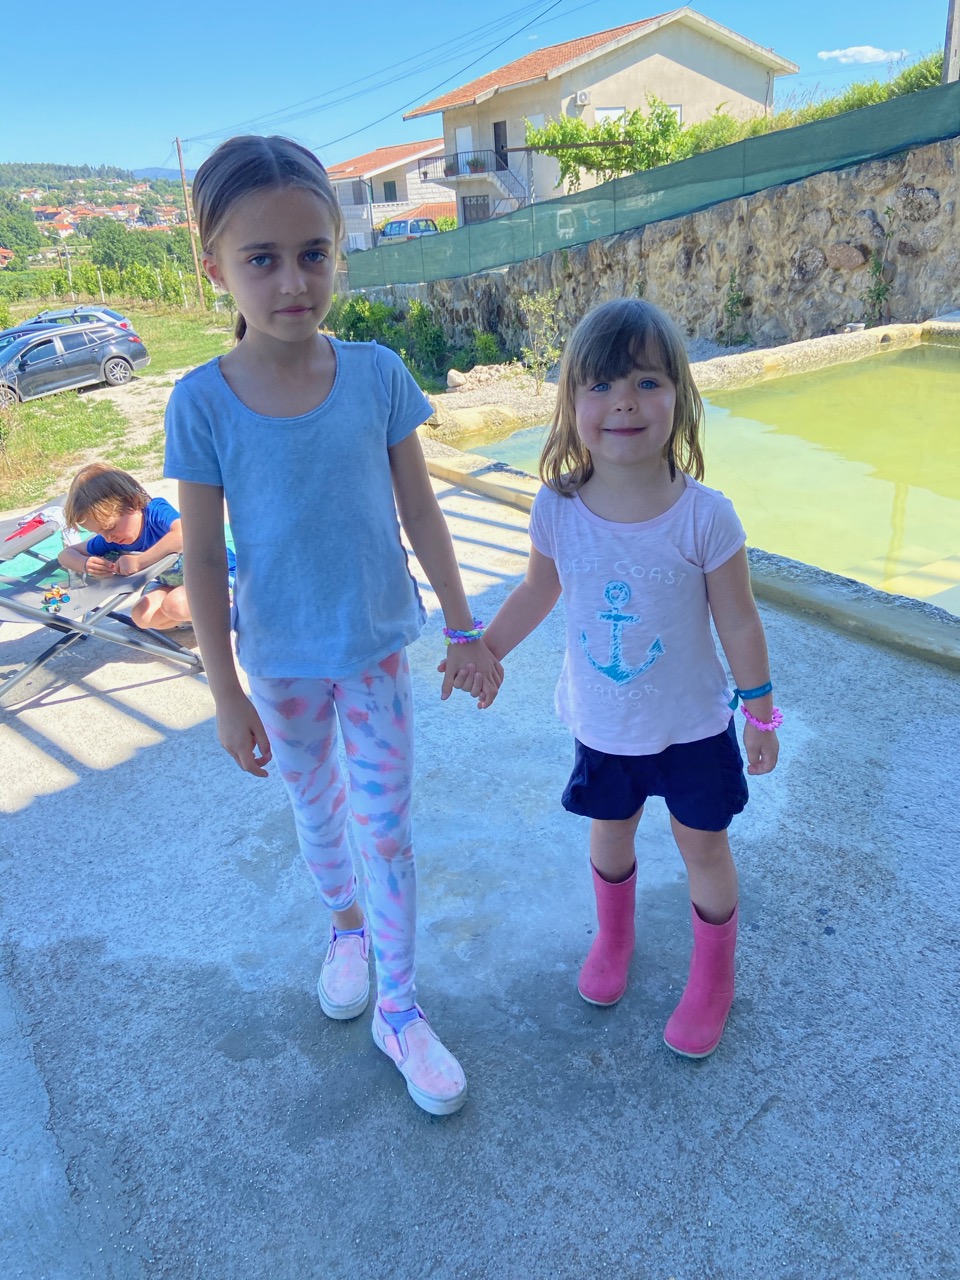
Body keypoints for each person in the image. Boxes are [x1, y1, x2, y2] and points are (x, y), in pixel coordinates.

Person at [163, 134, 502, 1116]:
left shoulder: (378, 375)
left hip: (376, 650)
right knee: (317, 813)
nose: (292, 281)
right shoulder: (201, 404)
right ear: (214, 266)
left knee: (386, 827)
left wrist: (465, 627)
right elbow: (201, 560)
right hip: (280, 665)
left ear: (338, 252)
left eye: (313, 252)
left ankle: (401, 1006)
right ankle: (344, 928)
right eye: (261, 258)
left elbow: (422, 511)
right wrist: (225, 692)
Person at [476, 298, 780, 1059]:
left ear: (679, 395)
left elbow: (739, 622)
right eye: (602, 385)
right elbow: (537, 590)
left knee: (703, 847)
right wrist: (488, 648)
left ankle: (713, 977)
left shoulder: (706, 517)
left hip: (694, 727)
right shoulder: (558, 508)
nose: (624, 403)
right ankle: (614, 940)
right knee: (610, 834)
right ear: (571, 402)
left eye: (647, 382)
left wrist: (760, 711)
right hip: (604, 723)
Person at [57, 462, 227, 631]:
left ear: (132, 502)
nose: (107, 537)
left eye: (110, 527)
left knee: (175, 604)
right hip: (173, 584)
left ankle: (228, 611)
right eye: (99, 532)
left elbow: (184, 534)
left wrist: (140, 561)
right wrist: (86, 564)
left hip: (216, 577)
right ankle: (192, 618)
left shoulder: (155, 512)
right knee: (142, 616)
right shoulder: (112, 539)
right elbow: (66, 554)